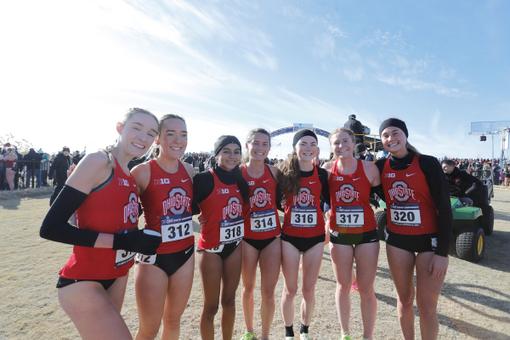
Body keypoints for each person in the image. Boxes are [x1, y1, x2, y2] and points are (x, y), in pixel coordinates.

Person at [39, 108, 162, 339]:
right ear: (119, 128)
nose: (143, 138)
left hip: (117, 275)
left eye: (150, 133)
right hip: (83, 279)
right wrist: (124, 241)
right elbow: (51, 228)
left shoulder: (129, 174)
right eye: (136, 128)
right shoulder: (99, 161)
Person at [376, 118, 451, 340]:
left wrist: (443, 254)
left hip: (430, 243)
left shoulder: (427, 163)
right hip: (398, 242)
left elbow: (445, 209)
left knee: (427, 307)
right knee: (405, 301)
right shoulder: (380, 167)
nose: (391, 138)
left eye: (395, 132)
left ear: (405, 135)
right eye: (386, 135)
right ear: (381, 142)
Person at [131, 114, 195, 340]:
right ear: (157, 139)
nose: (178, 140)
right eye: (171, 134)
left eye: (183, 135)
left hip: (185, 255)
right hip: (153, 259)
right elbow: (123, 210)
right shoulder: (142, 171)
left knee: (173, 320)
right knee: (149, 329)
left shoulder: (189, 171)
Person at [324, 128, 380, 340]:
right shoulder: (327, 169)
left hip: (367, 234)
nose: (341, 146)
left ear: (353, 142)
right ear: (331, 147)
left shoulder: (369, 168)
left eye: (345, 141)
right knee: (343, 285)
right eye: (336, 143)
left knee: (366, 288)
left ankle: (368, 336)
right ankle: (345, 333)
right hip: (340, 235)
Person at [193, 135, 249, 340]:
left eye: (236, 151)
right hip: (210, 249)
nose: (232, 156)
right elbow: (187, 209)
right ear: (217, 154)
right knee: (211, 306)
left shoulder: (242, 181)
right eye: (226, 151)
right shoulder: (203, 179)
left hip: (234, 246)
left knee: (230, 301)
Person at [277, 129, 329, 340]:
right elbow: (271, 199)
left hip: (315, 239)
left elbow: (330, 202)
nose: (308, 148)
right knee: (290, 289)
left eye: (312, 144)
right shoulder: (283, 172)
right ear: (295, 148)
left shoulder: (323, 174)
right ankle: (288, 332)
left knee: (309, 289)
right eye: (303, 144)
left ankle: (304, 329)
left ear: (317, 149)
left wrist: (328, 224)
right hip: (290, 237)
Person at [239, 129, 281, 340]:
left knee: (268, 291)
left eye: (265, 144)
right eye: (256, 143)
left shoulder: (274, 172)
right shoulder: (238, 172)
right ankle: (249, 330)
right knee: (248, 287)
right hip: (247, 238)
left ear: (269, 148)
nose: (260, 148)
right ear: (247, 145)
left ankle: (265, 335)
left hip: (272, 238)